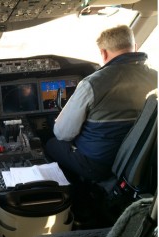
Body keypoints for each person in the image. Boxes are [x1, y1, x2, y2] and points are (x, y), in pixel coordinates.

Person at [45, 25, 157, 181]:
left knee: (50, 143)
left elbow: (63, 133)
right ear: (135, 47)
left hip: (97, 165)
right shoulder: (155, 77)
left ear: (103, 53)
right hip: (141, 160)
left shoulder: (92, 83)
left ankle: (77, 192)